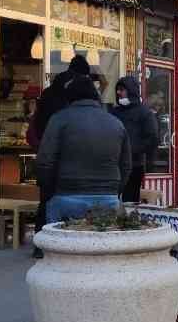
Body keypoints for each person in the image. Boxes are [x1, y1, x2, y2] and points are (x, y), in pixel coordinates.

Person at [35, 75, 130, 223]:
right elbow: (125, 165)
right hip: (108, 197)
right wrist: (114, 191)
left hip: (66, 196)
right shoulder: (116, 124)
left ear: (69, 98)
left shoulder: (59, 119)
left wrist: (49, 191)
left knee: (58, 243)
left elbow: (45, 162)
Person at [28, 56, 90, 248]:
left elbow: (37, 124)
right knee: (68, 201)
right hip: (66, 158)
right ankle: (63, 243)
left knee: (46, 201)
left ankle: (40, 244)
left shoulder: (48, 93)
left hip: (46, 156)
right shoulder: (72, 96)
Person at [110, 75, 159, 203]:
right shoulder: (114, 112)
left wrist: (132, 149)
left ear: (131, 90)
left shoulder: (144, 113)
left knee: (129, 202)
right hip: (114, 164)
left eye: (122, 89)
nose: (118, 93)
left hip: (135, 165)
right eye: (118, 90)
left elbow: (152, 139)